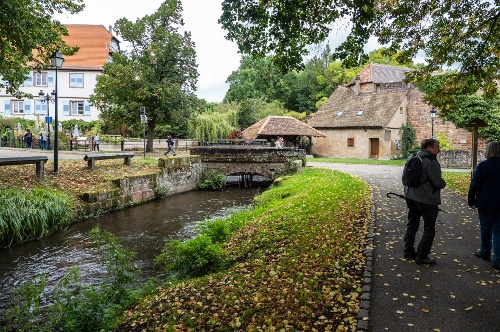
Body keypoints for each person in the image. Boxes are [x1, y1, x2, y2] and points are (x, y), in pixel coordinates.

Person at [402, 138, 446, 265]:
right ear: (429, 148)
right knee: (429, 228)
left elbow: (404, 178)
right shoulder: (431, 162)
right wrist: (444, 183)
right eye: (437, 147)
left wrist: (408, 192)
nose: (439, 150)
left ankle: (408, 250)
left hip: (410, 197)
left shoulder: (412, 157)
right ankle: (422, 256)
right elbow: (438, 183)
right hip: (427, 199)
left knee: (412, 224)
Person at [468, 141, 500, 271]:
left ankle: (485, 251)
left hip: (485, 202)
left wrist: (471, 200)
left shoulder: (483, 166)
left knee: (485, 228)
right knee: (498, 230)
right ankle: (498, 259)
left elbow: (474, 185)